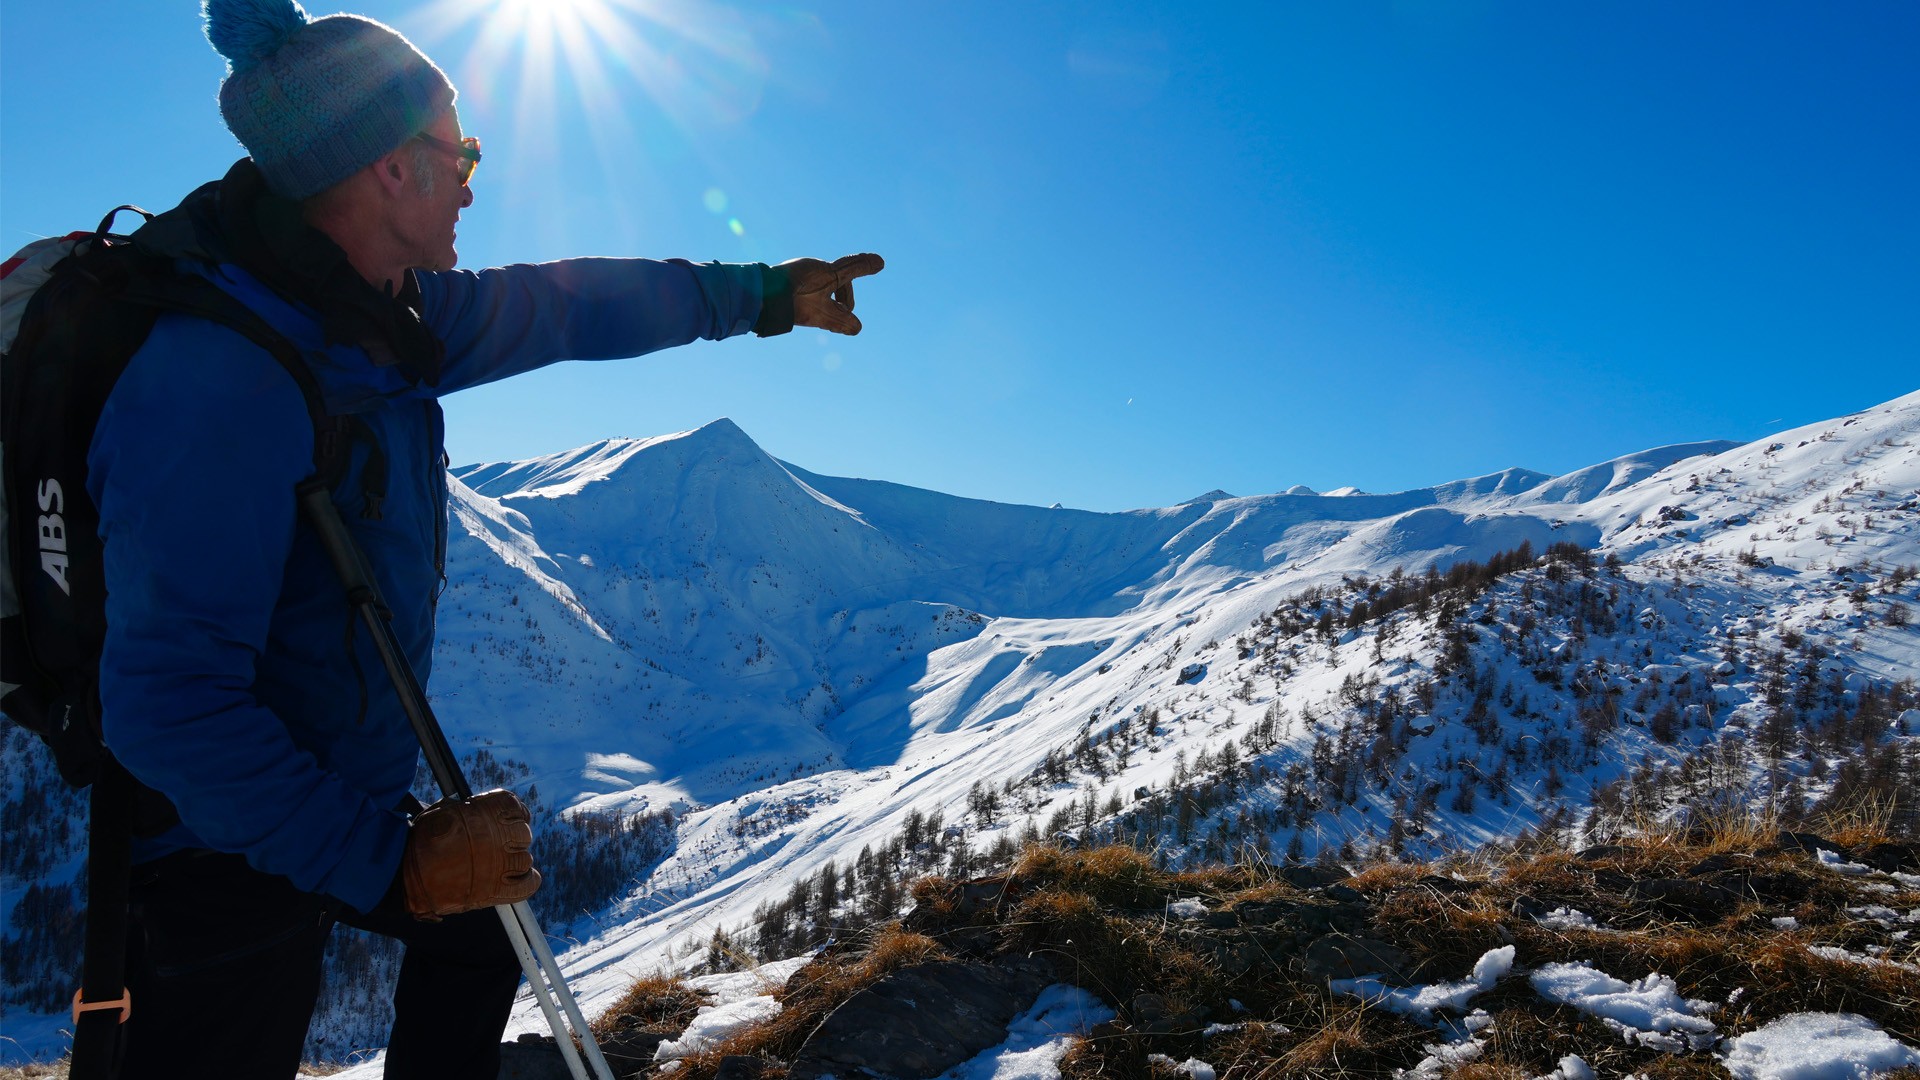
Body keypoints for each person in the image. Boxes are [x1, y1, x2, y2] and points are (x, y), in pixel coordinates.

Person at [88, 1, 882, 1075]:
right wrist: (390, 864)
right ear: (385, 170)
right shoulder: (218, 379)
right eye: (457, 149)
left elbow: (573, 307)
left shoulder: (386, 318)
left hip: (336, 786)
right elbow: (168, 708)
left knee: (477, 936)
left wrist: (760, 297)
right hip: (221, 837)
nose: (472, 176)